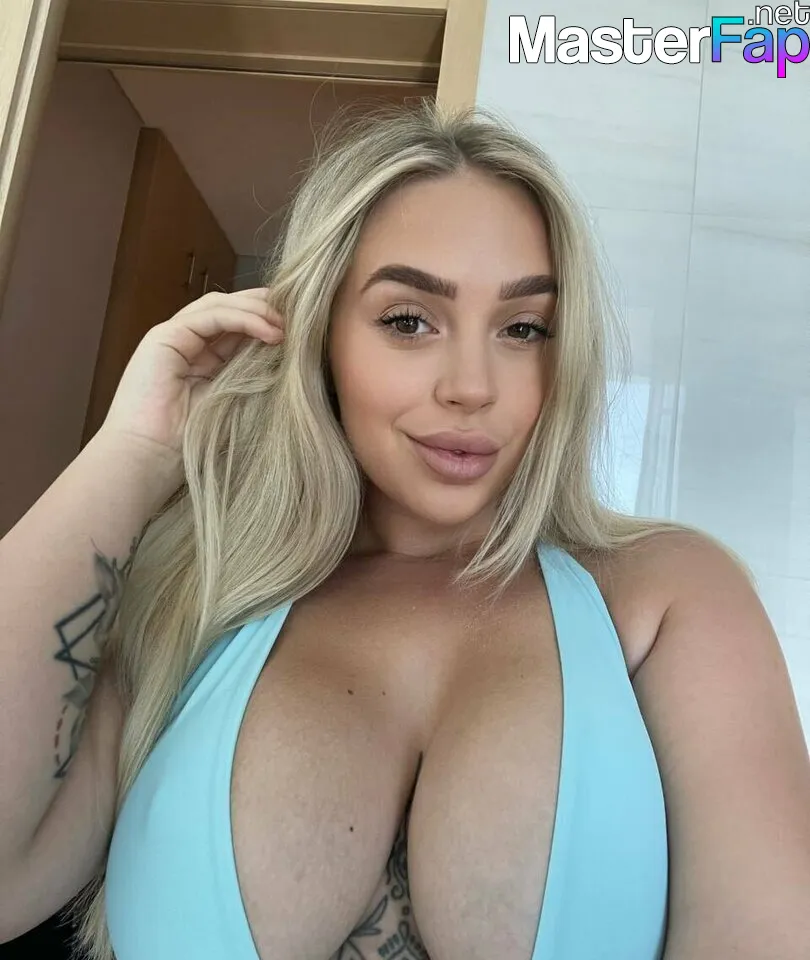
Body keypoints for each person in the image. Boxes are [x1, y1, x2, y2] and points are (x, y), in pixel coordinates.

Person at [1, 100, 808, 960]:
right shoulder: (191, 603)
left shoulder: (665, 598)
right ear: (319, 337)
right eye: (408, 320)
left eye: (523, 328)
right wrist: (132, 454)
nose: (472, 386)